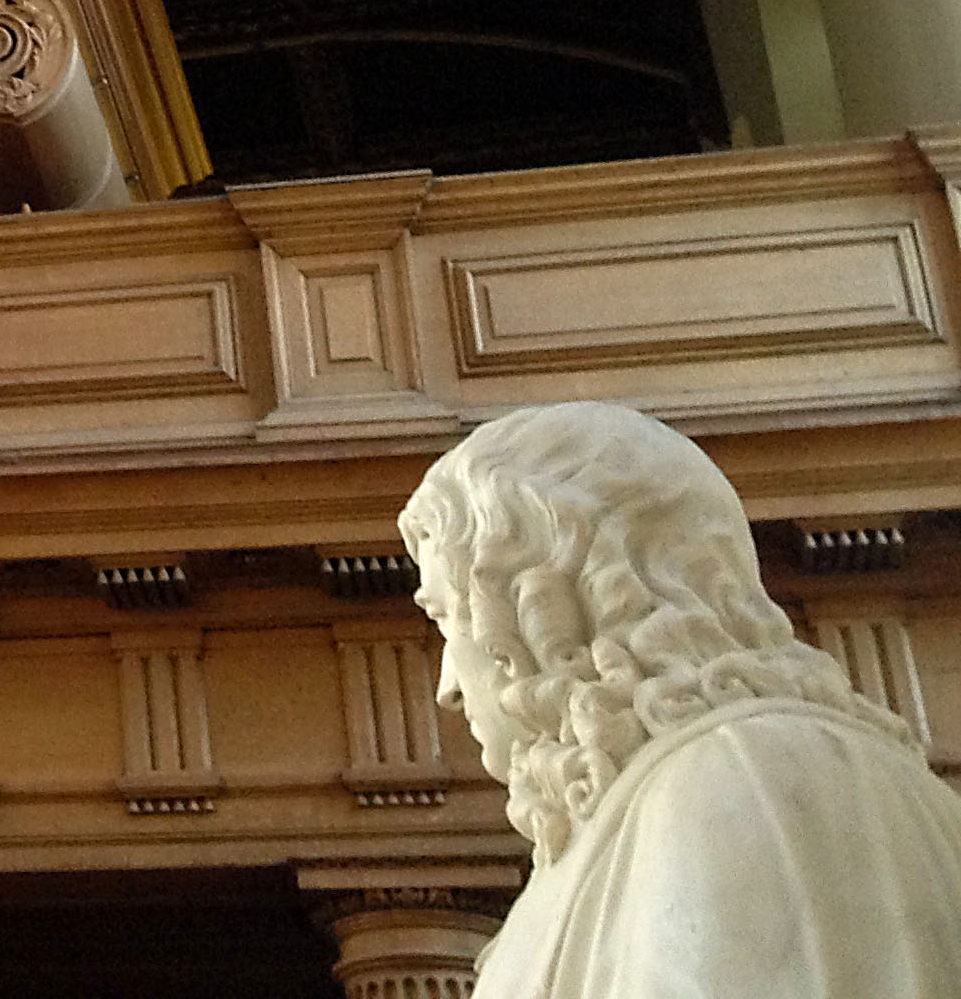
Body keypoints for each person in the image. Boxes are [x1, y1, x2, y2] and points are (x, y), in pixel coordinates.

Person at [399, 402, 961, 996]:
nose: (449, 689)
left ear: (547, 610)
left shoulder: (734, 779)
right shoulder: (649, 808)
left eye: (445, 618)